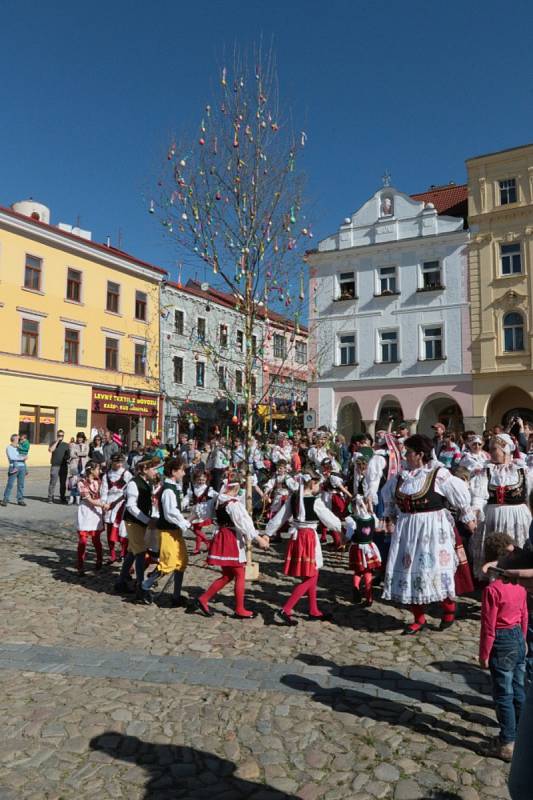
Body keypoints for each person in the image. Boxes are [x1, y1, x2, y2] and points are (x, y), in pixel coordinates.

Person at [382, 434, 476, 634]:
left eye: (408, 452)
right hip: (407, 529)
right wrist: (389, 517)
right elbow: (388, 497)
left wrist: (469, 519)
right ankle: (419, 618)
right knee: (411, 572)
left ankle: (449, 609)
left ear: (420, 454)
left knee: (435, 569)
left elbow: (460, 497)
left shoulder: (438, 474)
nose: (405, 455)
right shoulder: (401, 477)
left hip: (433, 529)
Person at [266, 470, 343, 626]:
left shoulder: (293, 498)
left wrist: (268, 533)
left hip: (297, 537)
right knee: (312, 576)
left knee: (309, 575)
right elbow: (331, 521)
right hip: (307, 538)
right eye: (318, 484)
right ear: (312, 483)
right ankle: (286, 609)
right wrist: (344, 525)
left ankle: (313, 610)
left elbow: (280, 517)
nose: (320, 487)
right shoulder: (315, 501)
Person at [190, 471, 269, 618]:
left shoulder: (217, 500)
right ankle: (239, 609)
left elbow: (199, 510)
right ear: (237, 488)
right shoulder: (233, 504)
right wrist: (259, 539)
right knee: (239, 573)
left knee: (227, 575)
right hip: (230, 538)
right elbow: (244, 524)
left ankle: (203, 599)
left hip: (221, 536)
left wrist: (187, 521)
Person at [479, 533, 527, 762]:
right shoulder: (520, 586)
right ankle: (523, 734)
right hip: (518, 637)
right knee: (519, 689)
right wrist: (524, 641)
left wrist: (484, 655)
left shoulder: (492, 591)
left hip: (501, 640)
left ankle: (508, 741)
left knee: (503, 694)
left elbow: (488, 627)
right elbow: (525, 616)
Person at [470, 433, 533, 579]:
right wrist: (475, 512)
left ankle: (520, 580)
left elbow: (530, 497)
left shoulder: (523, 471)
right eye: (490, 449)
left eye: (494, 449)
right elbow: (478, 496)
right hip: (493, 517)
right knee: (497, 550)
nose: (490, 452)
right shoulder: (486, 471)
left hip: (518, 517)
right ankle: (496, 582)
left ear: (505, 450)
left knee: (516, 549)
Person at [142, 457, 191, 607]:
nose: (183, 473)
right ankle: (144, 586)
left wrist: (188, 499)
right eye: (182, 470)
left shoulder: (173, 488)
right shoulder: (168, 490)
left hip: (174, 532)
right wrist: (184, 522)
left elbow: (177, 506)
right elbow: (170, 512)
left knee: (181, 562)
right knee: (168, 563)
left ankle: (176, 596)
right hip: (167, 532)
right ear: (174, 471)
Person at [114, 457, 161, 604]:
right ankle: (141, 587)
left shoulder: (147, 483)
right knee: (140, 552)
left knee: (132, 552)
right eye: (153, 468)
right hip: (133, 522)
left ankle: (121, 581)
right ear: (144, 469)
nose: (155, 471)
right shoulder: (134, 483)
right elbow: (131, 506)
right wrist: (148, 520)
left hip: (141, 521)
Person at [345, 498, 382, 606]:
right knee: (368, 572)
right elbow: (376, 527)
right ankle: (369, 598)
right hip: (369, 547)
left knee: (357, 571)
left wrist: (344, 540)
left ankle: (356, 587)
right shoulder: (372, 518)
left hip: (357, 548)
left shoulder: (352, 520)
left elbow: (348, 536)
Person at [77, 461, 108, 576]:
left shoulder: (100, 482)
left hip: (96, 513)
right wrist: (103, 505)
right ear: (91, 470)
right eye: (98, 469)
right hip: (86, 512)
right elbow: (89, 500)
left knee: (96, 539)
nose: (99, 471)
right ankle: (80, 565)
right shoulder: (81, 482)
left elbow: (104, 495)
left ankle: (99, 560)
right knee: (83, 540)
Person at [101, 453, 132, 563]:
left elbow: (130, 490)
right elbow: (104, 491)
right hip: (110, 503)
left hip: (121, 503)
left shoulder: (126, 474)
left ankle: (123, 553)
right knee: (110, 530)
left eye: (120, 462)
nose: (119, 464)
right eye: (116, 462)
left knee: (122, 530)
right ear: (112, 462)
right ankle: (112, 553)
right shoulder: (107, 475)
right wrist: (104, 503)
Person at [186, 468, 217, 555]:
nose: (201, 481)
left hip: (203, 511)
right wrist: (184, 503)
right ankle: (207, 543)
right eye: (199, 479)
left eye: (203, 479)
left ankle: (198, 547)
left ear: (206, 479)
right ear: (196, 479)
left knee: (196, 529)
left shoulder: (208, 489)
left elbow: (216, 495)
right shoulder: (193, 487)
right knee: (194, 528)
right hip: (194, 510)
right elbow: (188, 496)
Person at [1, 434, 28, 506]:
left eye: (19, 439)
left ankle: (20, 499)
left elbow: (25, 455)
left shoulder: (20, 447)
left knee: (21, 485)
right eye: (18, 439)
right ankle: (5, 499)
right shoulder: (9, 448)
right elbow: (12, 457)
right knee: (10, 484)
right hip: (13, 467)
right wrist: (22, 457)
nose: (19, 440)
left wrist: (23, 459)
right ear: (13, 439)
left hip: (22, 467)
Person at [47, 430, 70, 504]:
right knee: (53, 482)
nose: (61, 437)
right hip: (55, 465)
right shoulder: (53, 443)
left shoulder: (66, 445)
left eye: (62, 435)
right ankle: (50, 498)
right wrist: (57, 441)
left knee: (63, 483)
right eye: (59, 435)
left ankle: (62, 497)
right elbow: (51, 450)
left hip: (63, 466)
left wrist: (68, 458)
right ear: (57, 435)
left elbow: (68, 455)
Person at [68, 432, 90, 505]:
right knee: (73, 482)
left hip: (83, 465)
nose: (79, 439)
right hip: (75, 465)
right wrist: (80, 453)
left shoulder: (86, 445)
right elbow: (71, 454)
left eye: (81, 437)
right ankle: (72, 498)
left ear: (83, 438)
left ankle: (78, 497)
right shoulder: (73, 444)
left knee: (80, 482)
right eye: (78, 437)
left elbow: (86, 453)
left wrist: (77, 453)